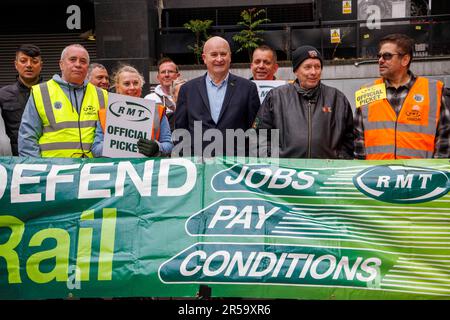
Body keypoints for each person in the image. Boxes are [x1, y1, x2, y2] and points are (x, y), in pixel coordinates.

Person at [354, 33, 450, 159]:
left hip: (420, 177)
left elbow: (444, 141)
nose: (380, 60)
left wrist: (437, 176)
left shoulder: (435, 91)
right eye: (379, 56)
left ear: (405, 60)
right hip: (377, 176)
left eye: (387, 56)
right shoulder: (366, 91)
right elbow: (358, 141)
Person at [253, 45, 354, 159]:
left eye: (317, 67)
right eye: (307, 67)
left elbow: (348, 140)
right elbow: (260, 137)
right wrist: (275, 162)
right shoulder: (276, 97)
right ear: (296, 70)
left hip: (327, 173)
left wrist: (339, 160)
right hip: (287, 173)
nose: (313, 72)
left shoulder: (337, 99)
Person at [175, 36, 260, 156]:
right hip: (199, 165)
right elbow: (180, 132)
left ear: (230, 56)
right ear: (204, 58)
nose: (219, 59)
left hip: (235, 166)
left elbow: (255, 132)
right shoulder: (187, 90)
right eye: (214, 54)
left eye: (223, 54)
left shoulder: (248, 88)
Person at [18, 44, 107, 158]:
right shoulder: (41, 92)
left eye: (83, 61)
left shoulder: (102, 95)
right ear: (61, 64)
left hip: (92, 171)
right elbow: (27, 137)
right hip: (54, 171)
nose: (78, 64)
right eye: (72, 59)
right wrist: (36, 170)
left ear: (87, 67)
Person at [92, 64, 173, 157]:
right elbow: (96, 149)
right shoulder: (105, 114)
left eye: (135, 83)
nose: (132, 87)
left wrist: (157, 148)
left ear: (141, 86)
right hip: (117, 169)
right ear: (117, 87)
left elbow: (169, 145)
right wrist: (117, 144)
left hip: (148, 169)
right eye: (126, 84)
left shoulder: (157, 112)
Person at [0, 44, 43, 156]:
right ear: (16, 64)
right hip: (13, 162)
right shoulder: (3, 95)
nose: (29, 65)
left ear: (41, 65)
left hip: (47, 160)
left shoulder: (51, 93)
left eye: (34, 61)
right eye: (23, 61)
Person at [144, 57, 180, 131]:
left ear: (178, 76)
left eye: (170, 71)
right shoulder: (150, 99)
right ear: (158, 77)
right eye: (163, 72)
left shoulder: (187, 96)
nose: (166, 75)